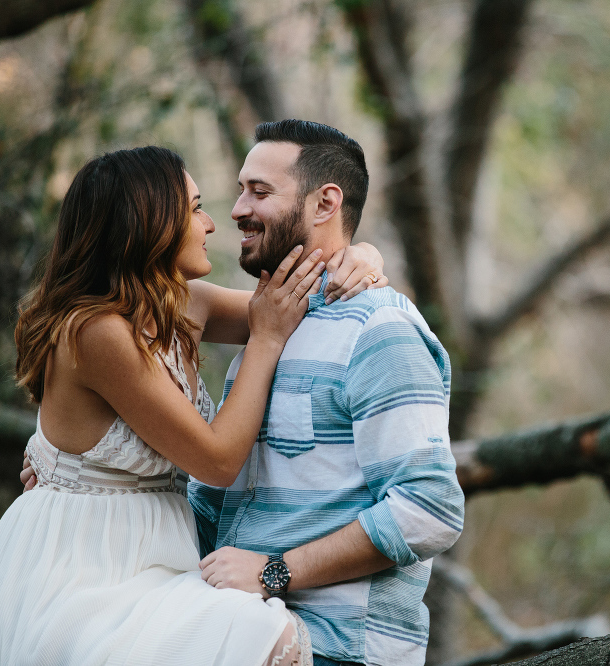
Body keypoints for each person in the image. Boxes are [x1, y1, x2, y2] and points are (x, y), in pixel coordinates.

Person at [0, 145, 386, 665]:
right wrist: (264, 342)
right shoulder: (97, 333)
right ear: (148, 222)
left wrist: (362, 255)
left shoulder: (186, 303)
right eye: (194, 208)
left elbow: (310, 303)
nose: (212, 223)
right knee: (263, 632)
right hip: (84, 571)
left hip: (156, 556)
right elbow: (217, 460)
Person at [187, 120, 465, 666]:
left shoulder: (379, 331)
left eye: (260, 192)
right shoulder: (267, 327)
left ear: (324, 204)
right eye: (242, 188)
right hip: (241, 625)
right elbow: (211, 505)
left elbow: (431, 508)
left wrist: (273, 570)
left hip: (336, 646)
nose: (238, 209)